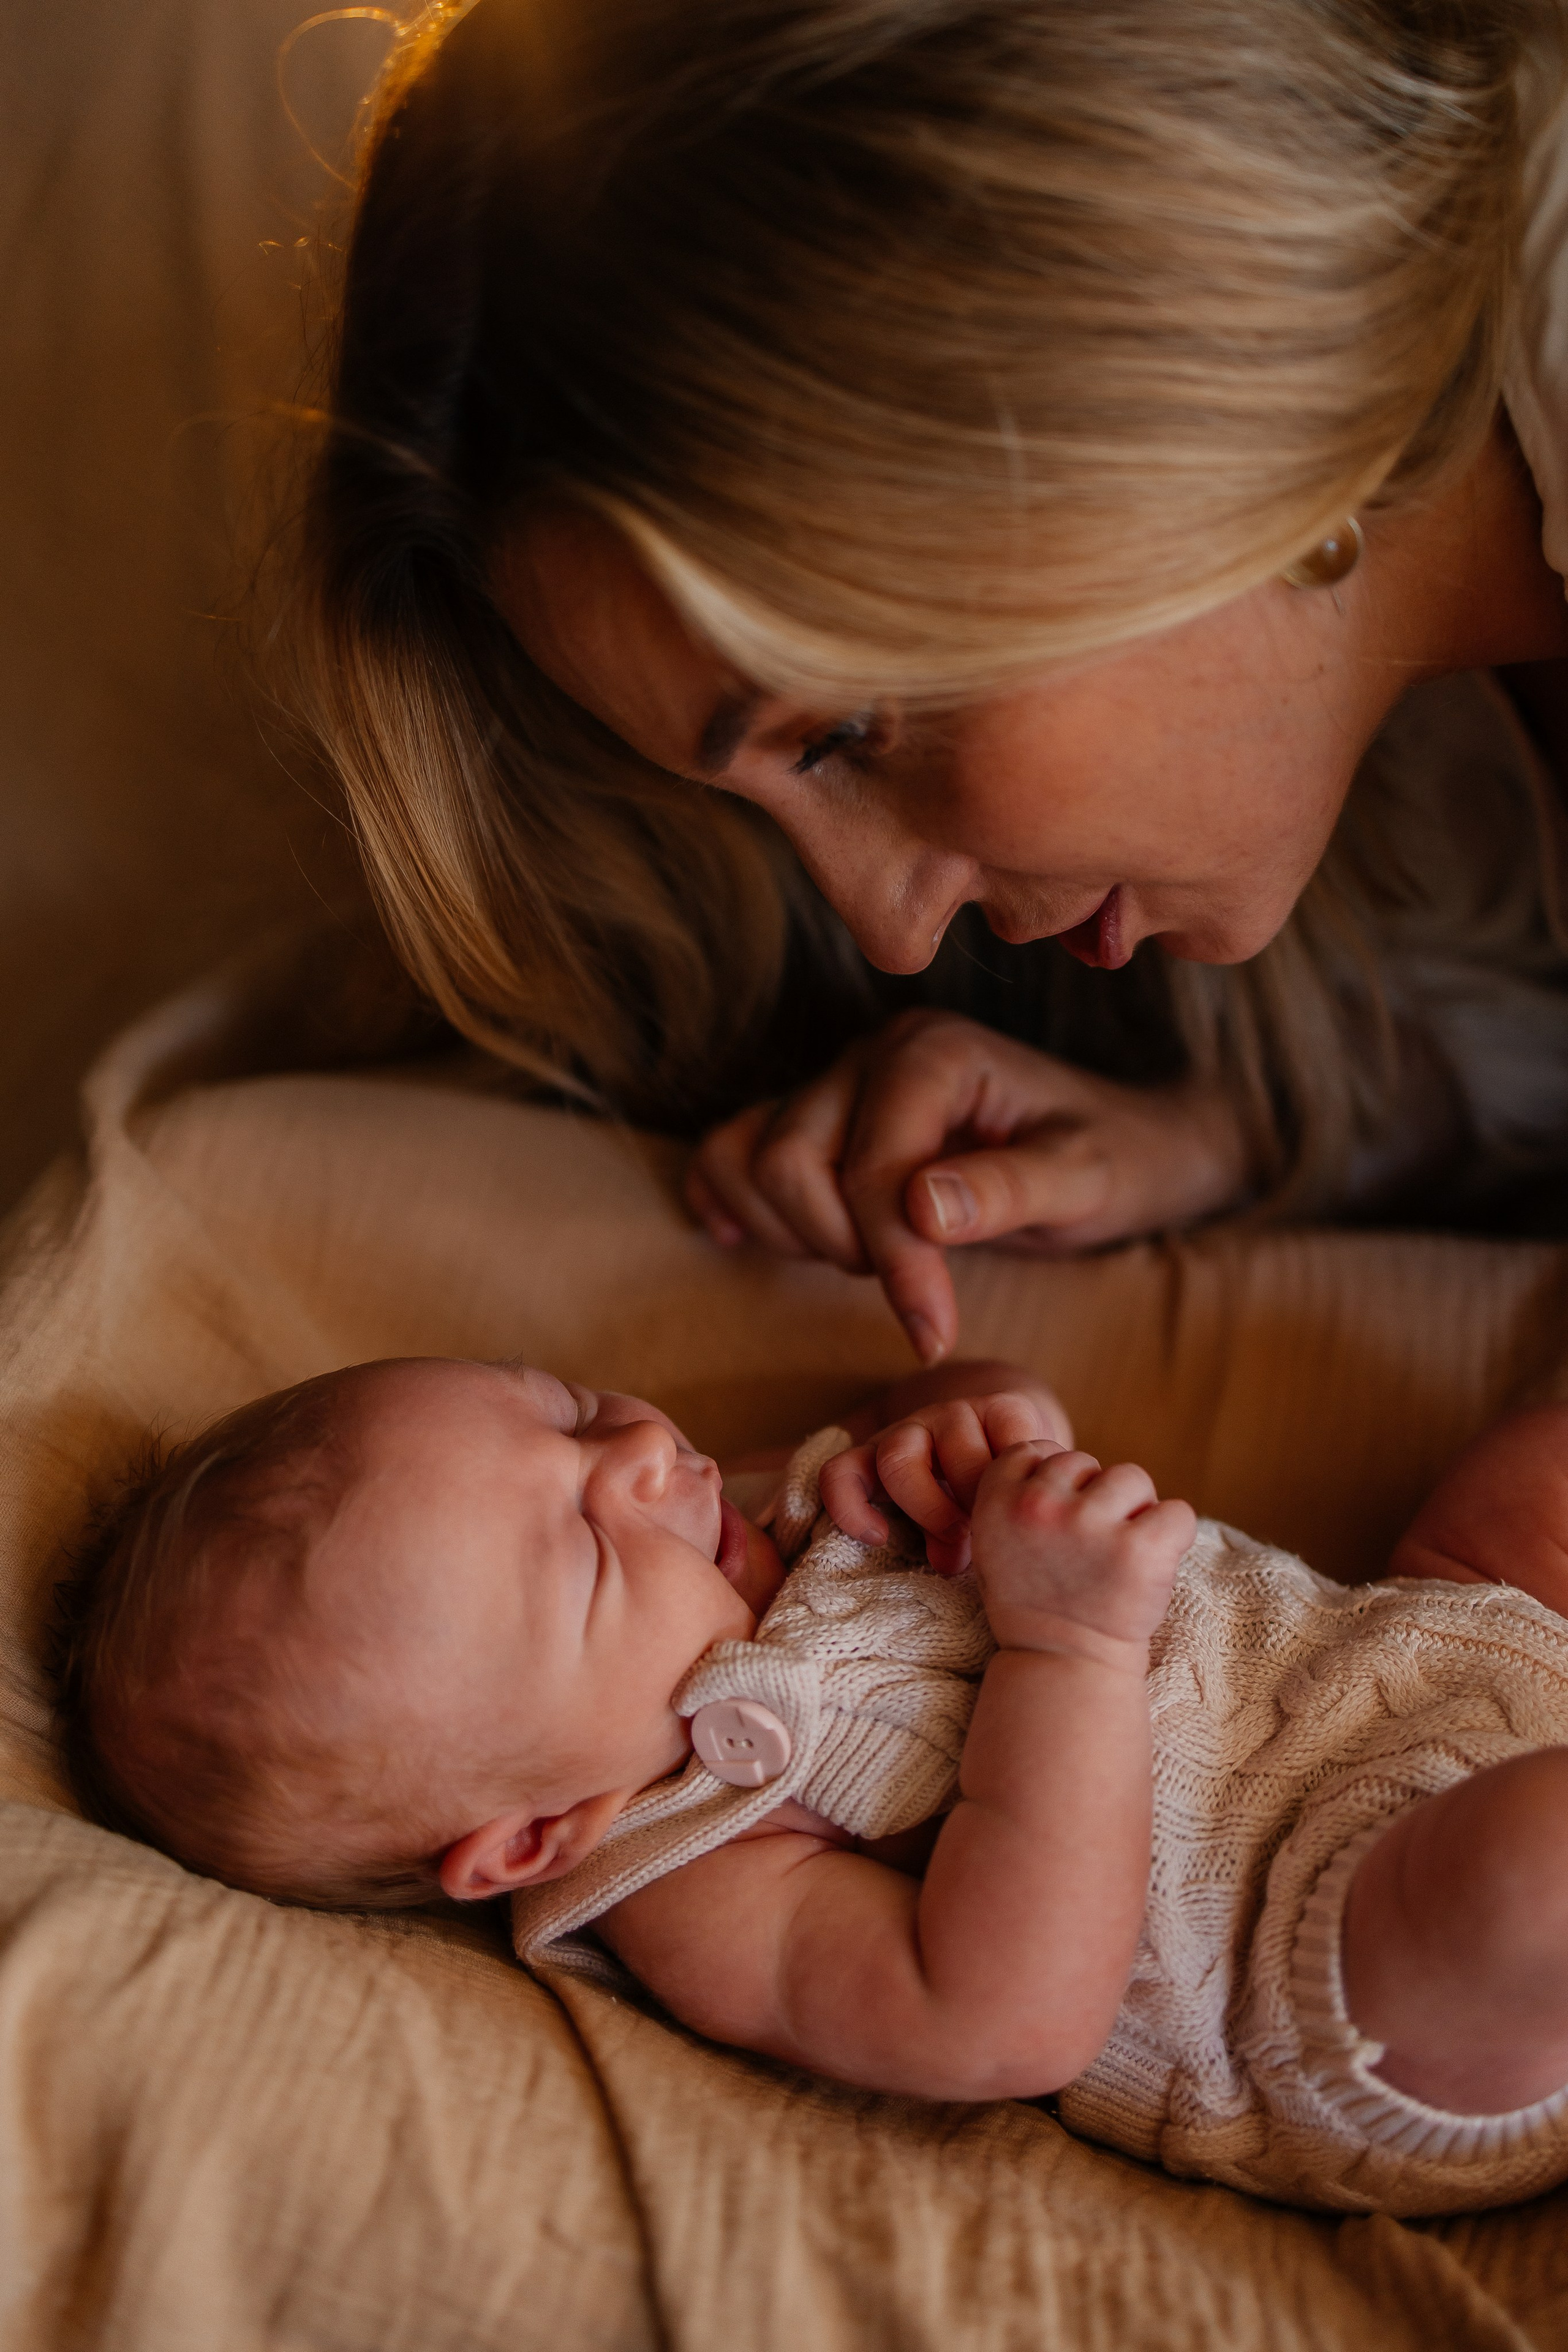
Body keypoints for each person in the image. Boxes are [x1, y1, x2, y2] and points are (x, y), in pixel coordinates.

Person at [298, 0, 1568, 1365]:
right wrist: (1216, 1138)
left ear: (1123, 399)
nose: (893, 936)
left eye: (840, 734)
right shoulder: (1411, 729)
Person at [48, 1352, 1568, 2215]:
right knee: (1524, 1873)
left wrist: (968, 1423)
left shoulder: (753, 1539)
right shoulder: (696, 1868)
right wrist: (1065, 1651)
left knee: (1532, 1477)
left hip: (1411, 1652)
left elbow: (952, 1406)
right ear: (529, 1833)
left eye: (574, 1414)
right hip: (1332, 1983)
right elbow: (999, 2015)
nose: (645, 1458)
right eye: (583, 1547)